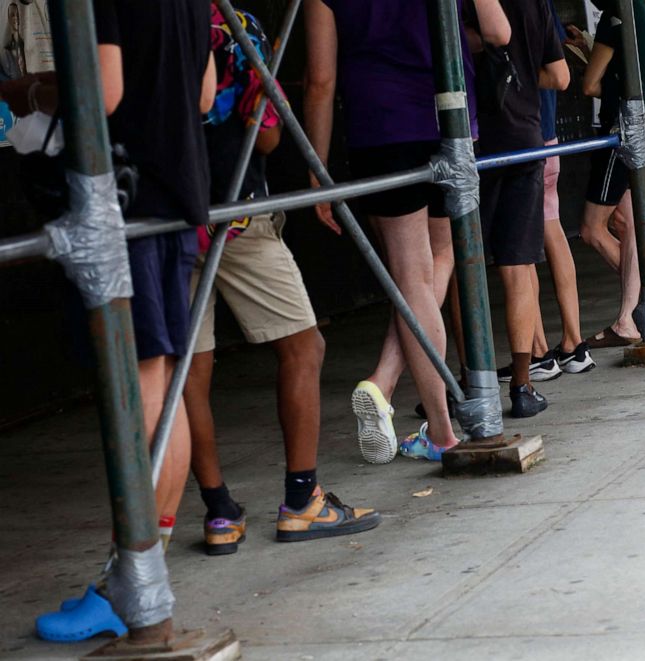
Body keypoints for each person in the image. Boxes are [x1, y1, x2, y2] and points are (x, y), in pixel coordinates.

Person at [20, 0, 216, 642]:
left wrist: (39, 92)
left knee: (142, 386)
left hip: (125, 197)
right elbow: (207, 93)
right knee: (162, 379)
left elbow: (102, 93)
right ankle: (140, 571)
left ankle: (128, 581)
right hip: (176, 190)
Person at [183, 4, 380, 557]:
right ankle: (302, 501)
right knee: (303, 347)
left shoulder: (133, 22)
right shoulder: (235, 26)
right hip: (236, 215)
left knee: (187, 372)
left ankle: (219, 512)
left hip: (167, 219)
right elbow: (267, 139)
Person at [305, 0, 508, 461]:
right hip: (450, 116)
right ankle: (388, 382)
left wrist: (316, 168)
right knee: (440, 258)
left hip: (382, 125)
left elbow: (320, 81)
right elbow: (498, 32)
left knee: (412, 276)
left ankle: (437, 426)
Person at [476, 0, 569, 418]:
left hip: (476, 142)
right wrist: (525, 76)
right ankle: (522, 384)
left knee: (463, 265)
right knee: (519, 266)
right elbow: (560, 76)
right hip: (527, 136)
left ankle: (469, 383)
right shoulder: (536, 4)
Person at [508, 0, 596, 384]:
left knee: (519, 252)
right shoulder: (541, 6)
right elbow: (561, 70)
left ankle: (538, 353)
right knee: (553, 232)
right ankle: (574, 344)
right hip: (549, 136)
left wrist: (508, 71)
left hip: (519, 139)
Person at [578, 0, 645, 346]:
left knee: (591, 228)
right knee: (630, 223)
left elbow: (590, 85)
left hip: (624, 128)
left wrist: (588, 55)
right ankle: (644, 305)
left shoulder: (614, 18)